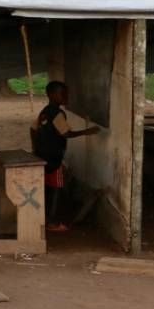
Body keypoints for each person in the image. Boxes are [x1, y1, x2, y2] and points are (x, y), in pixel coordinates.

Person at [30, 80, 100, 232]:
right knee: (56, 188)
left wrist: (35, 147)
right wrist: (86, 132)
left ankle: (43, 218)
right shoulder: (58, 113)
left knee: (46, 188)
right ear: (52, 95)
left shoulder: (45, 111)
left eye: (66, 93)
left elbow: (33, 129)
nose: (66, 96)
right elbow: (66, 133)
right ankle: (51, 222)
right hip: (54, 157)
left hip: (42, 155)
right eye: (63, 94)